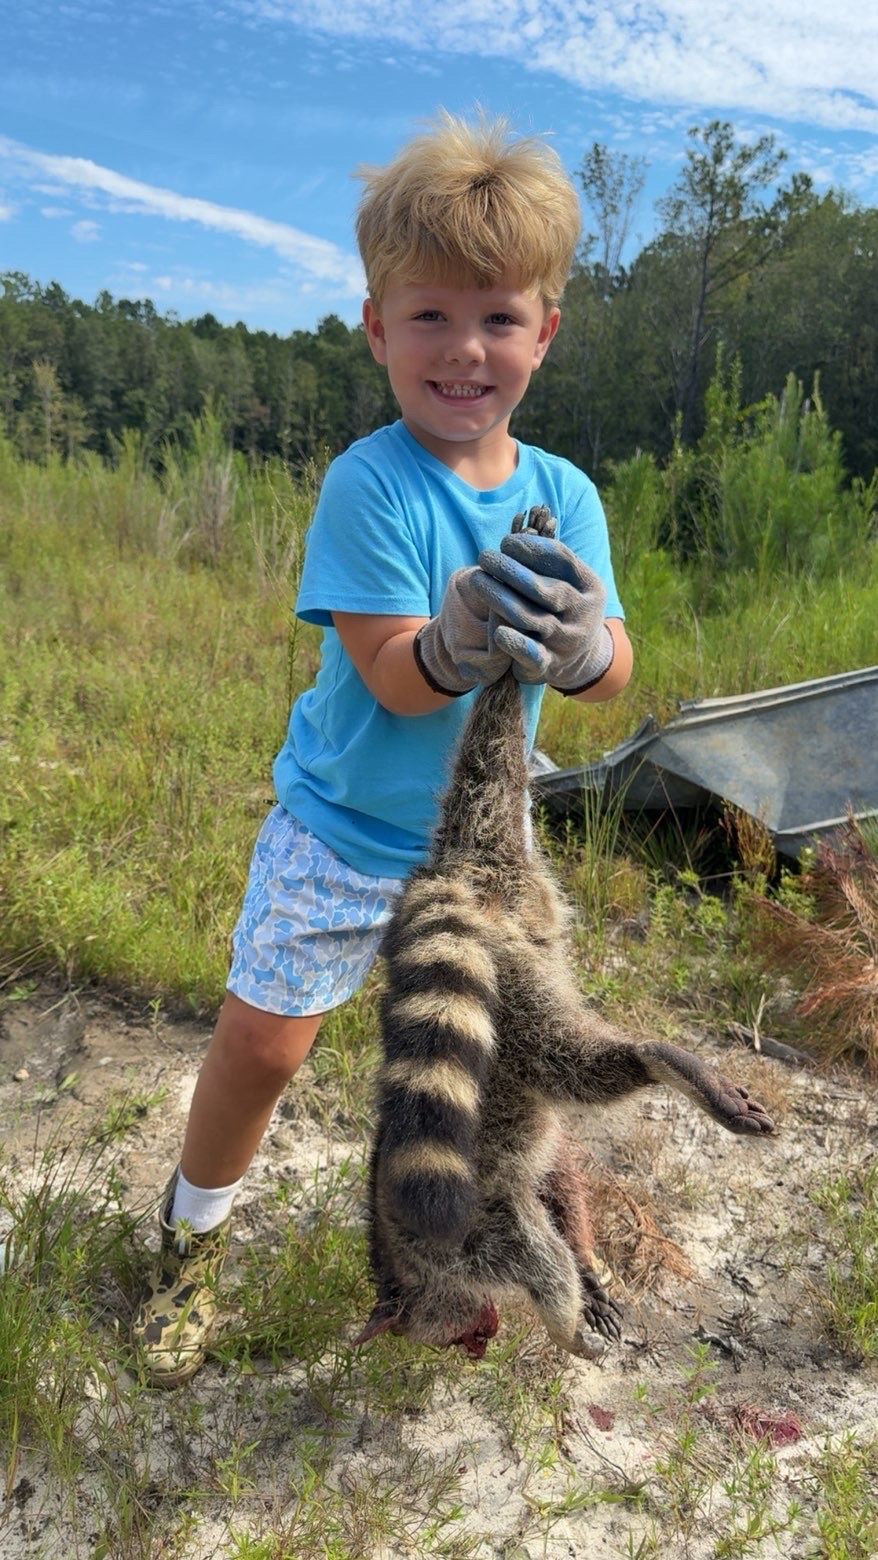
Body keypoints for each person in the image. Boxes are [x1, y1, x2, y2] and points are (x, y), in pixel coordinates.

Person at [132, 110, 633, 1385]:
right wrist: (460, 637)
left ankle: (546, 1232)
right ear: (374, 326)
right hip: (345, 832)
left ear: (544, 333)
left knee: (523, 1062)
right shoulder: (371, 483)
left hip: (482, 859)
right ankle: (190, 1240)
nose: (463, 349)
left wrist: (581, 650)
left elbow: (614, 677)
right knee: (265, 1044)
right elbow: (392, 678)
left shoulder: (565, 495)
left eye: (497, 317)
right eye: (427, 316)